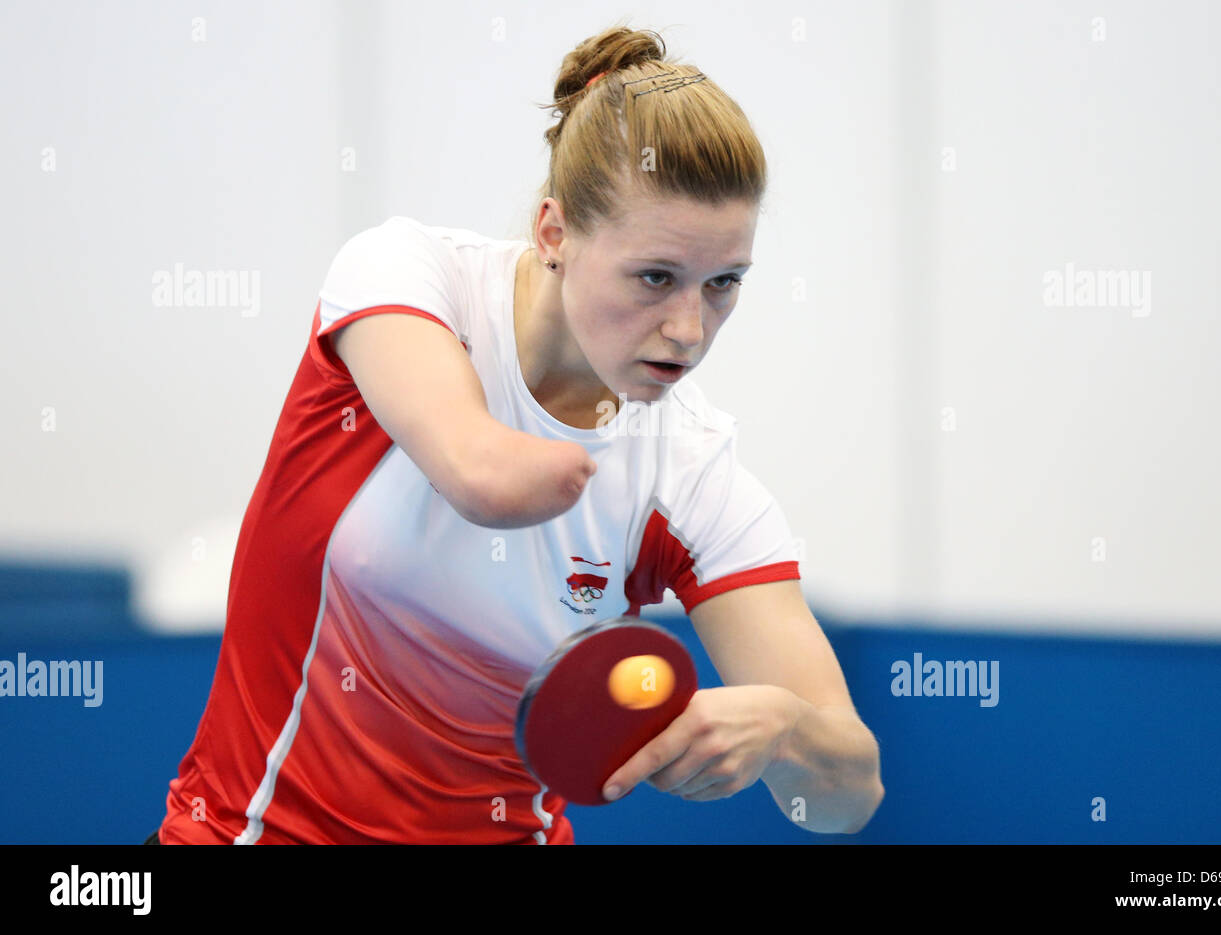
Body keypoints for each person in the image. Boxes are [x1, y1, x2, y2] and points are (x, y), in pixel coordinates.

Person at [152, 23, 884, 845]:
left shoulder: (690, 472)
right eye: (655, 277)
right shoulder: (407, 279)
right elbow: (478, 471)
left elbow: (849, 795)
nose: (688, 328)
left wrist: (785, 729)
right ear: (554, 234)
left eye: (723, 283)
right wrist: (585, 470)